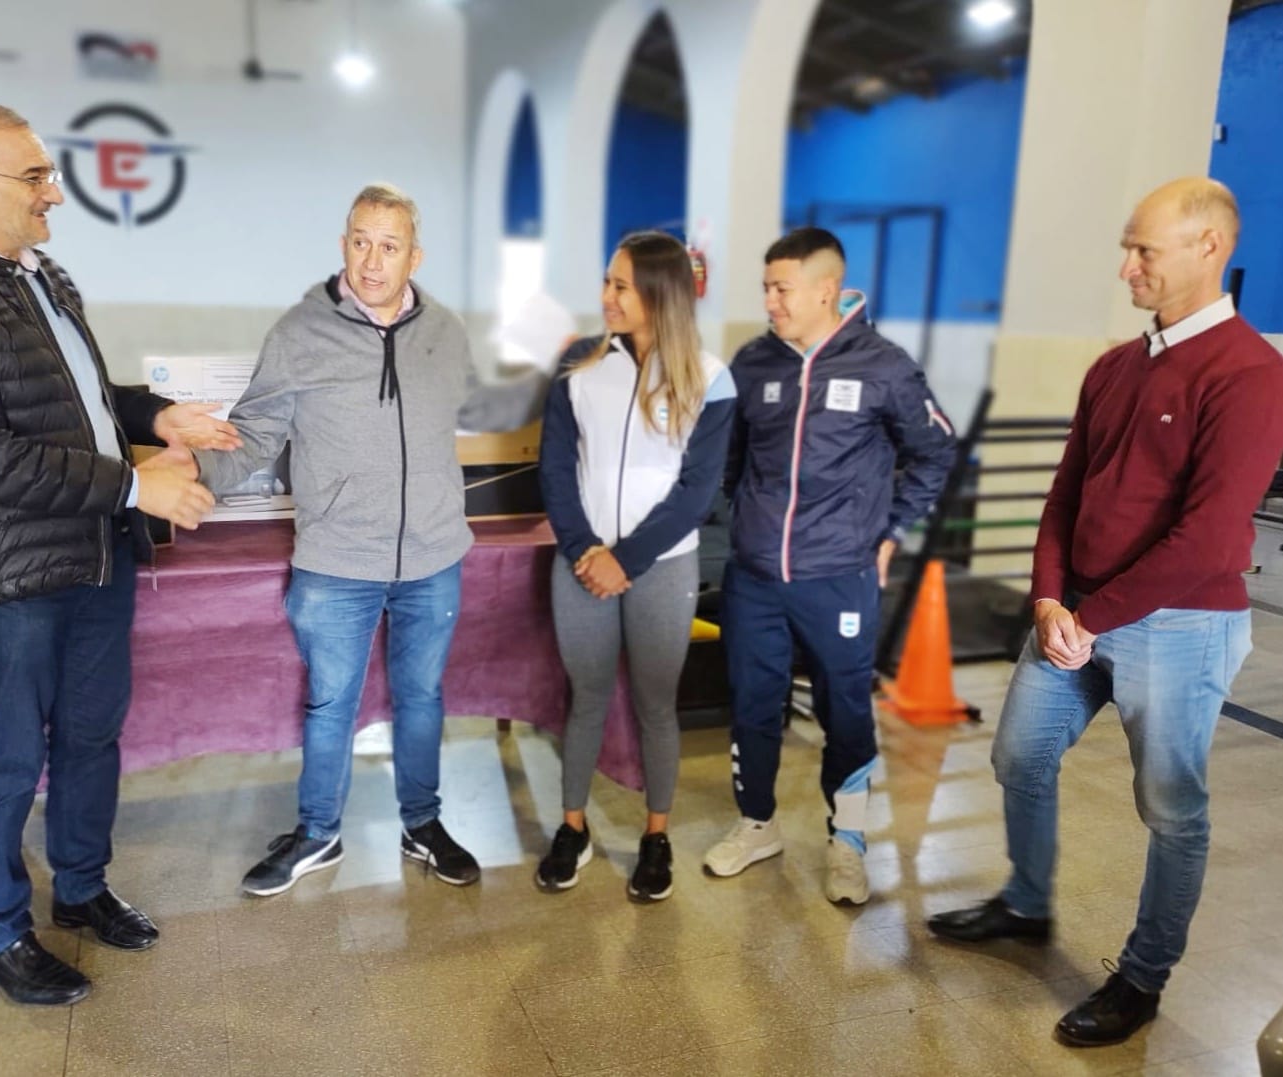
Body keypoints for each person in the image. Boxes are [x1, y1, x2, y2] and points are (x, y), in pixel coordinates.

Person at [0, 103, 238, 1007]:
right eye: (35, 176)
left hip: (91, 550)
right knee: (3, 755)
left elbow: (80, 397)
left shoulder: (37, 272)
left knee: (89, 733)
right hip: (7, 574)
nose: (54, 194)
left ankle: (80, 886)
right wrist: (134, 485)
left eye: (48, 174)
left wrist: (155, 413)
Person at [928, 178, 1283, 1047]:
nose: (1125, 266)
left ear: (1208, 247)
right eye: (1126, 247)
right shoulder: (1115, 366)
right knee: (1018, 755)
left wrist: (1091, 617)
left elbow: (1207, 536)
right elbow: (1065, 493)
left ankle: (1142, 975)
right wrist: (1051, 596)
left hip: (1179, 624)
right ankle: (1025, 902)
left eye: (1142, 250)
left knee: (1170, 807)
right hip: (1076, 611)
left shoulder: (1249, 372)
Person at [197, 183, 483, 896]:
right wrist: (188, 479)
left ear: (414, 256)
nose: (371, 260)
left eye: (389, 246)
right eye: (360, 241)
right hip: (336, 562)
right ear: (342, 244)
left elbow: (469, 410)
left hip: (432, 557)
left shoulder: (445, 332)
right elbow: (255, 433)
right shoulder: (299, 334)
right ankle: (318, 832)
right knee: (331, 705)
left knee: (422, 698)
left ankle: (422, 822)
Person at [704, 227, 956, 905]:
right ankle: (757, 824)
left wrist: (888, 531)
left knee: (844, 714)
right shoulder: (754, 361)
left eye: (781, 289)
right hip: (755, 579)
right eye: (765, 287)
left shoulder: (883, 366)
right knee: (753, 706)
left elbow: (935, 451)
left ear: (825, 289)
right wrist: (746, 525)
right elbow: (732, 460)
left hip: (838, 577)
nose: (769, 301)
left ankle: (847, 841)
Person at [535, 231, 736, 901]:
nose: (607, 296)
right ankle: (572, 827)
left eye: (621, 285)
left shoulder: (709, 377)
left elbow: (695, 493)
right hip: (581, 563)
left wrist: (624, 560)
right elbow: (556, 468)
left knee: (655, 704)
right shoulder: (579, 364)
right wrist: (584, 550)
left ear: (658, 293)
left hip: (660, 568)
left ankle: (655, 836)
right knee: (584, 697)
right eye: (607, 281)